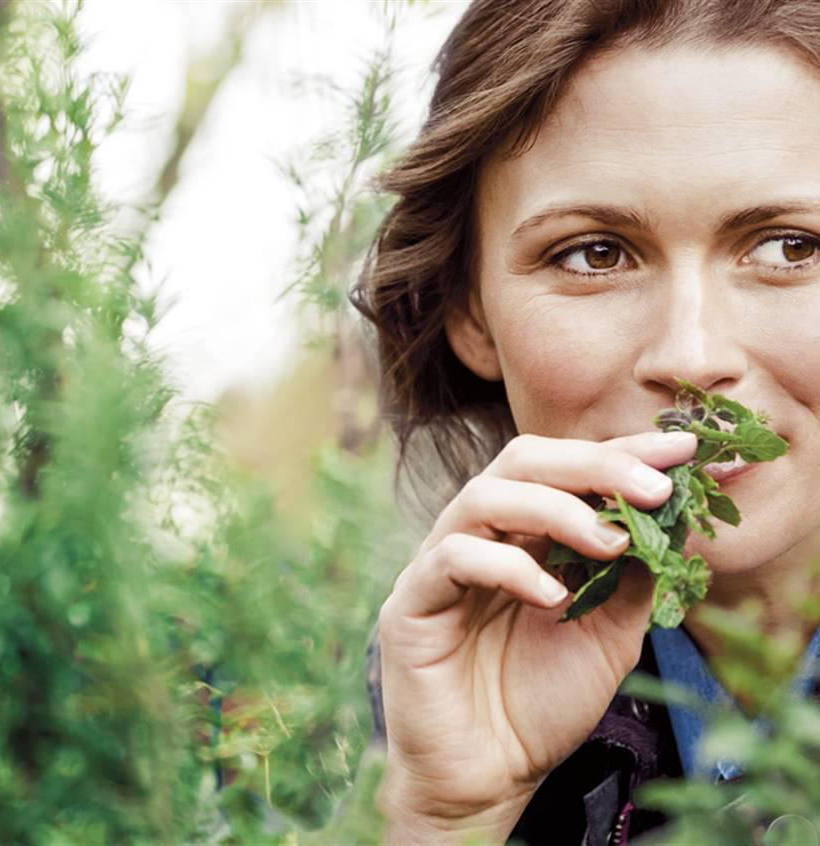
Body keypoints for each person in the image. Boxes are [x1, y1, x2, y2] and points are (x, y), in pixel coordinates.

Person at [350, 0, 820, 842]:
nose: (691, 356)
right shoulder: (302, 733)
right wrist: (444, 819)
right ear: (469, 313)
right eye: (594, 254)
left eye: (791, 247)